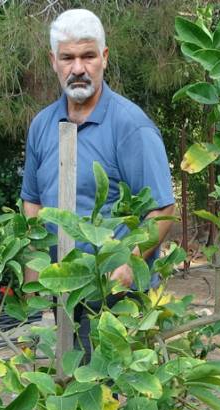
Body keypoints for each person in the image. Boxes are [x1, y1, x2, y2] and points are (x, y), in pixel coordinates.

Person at [20, 8, 175, 293]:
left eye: (88, 56)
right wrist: (35, 302)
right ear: (53, 61)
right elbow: (32, 204)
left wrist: (129, 264)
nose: (78, 69)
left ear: (104, 57)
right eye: (68, 58)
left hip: (118, 303)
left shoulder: (131, 127)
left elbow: (162, 208)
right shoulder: (42, 125)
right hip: (60, 296)